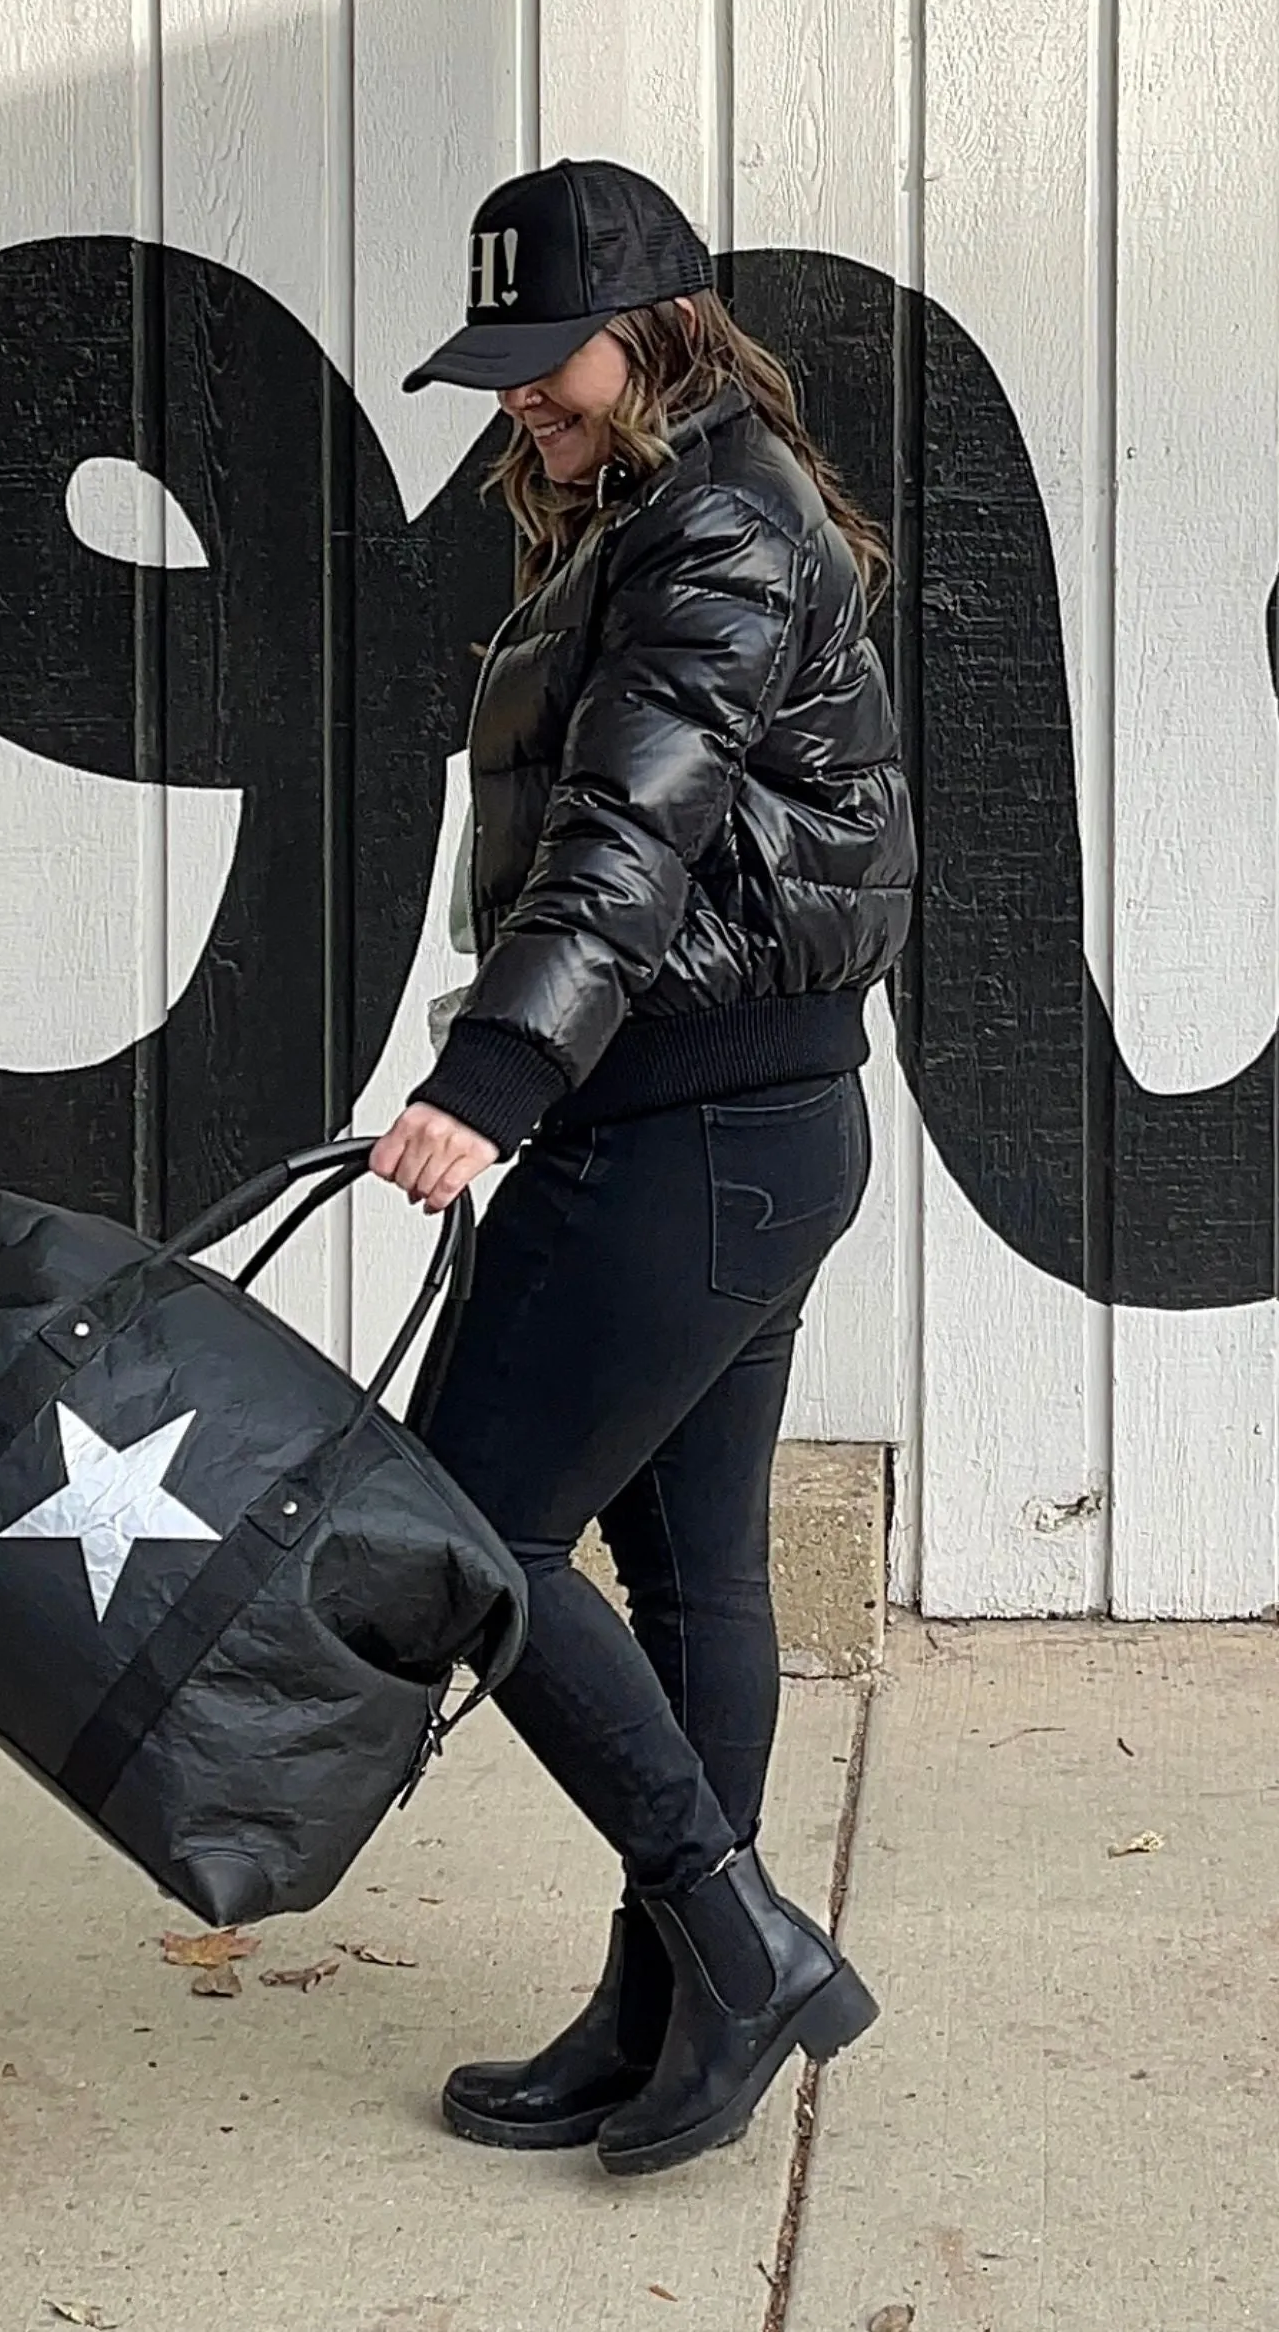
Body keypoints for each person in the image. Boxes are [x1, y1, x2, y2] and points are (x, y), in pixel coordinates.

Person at [372, 158, 916, 2177]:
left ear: (662, 331)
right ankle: (670, 1994)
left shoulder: (710, 529)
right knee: (688, 1578)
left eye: (551, 362)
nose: (523, 399)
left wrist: (496, 1074)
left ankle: (737, 1937)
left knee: (462, 1526)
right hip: (742, 1125)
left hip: (690, 1126)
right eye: (501, 371)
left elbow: (627, 828)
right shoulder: (673, 506)